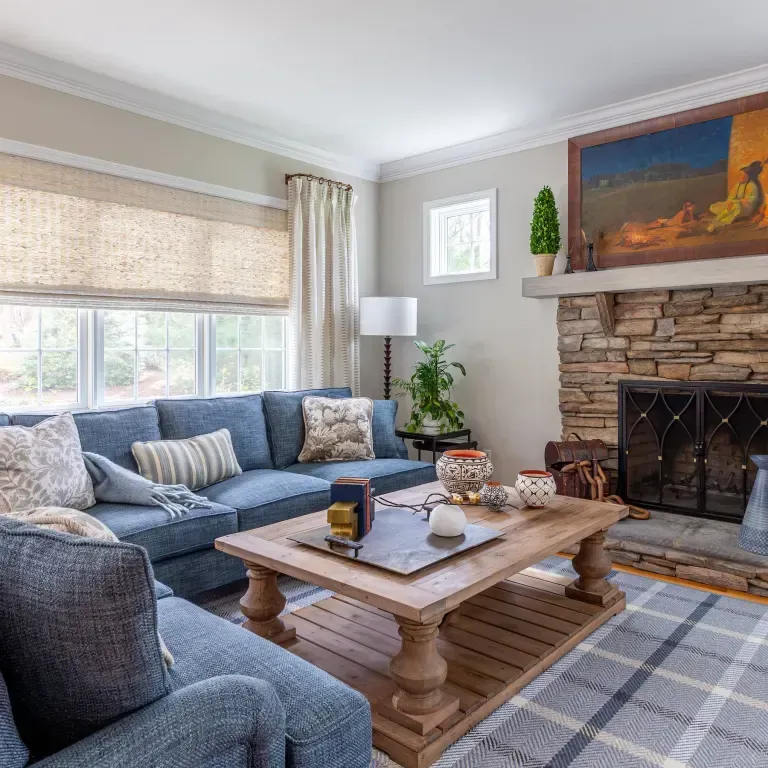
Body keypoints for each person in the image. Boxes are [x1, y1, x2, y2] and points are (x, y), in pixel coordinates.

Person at [707, 160, 764, 232]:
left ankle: (718, 222)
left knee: (736, 206)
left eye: (743, 175)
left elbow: (750, 200)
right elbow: (731, 197)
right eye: (740, 175)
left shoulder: (752, 186)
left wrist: (736, 202)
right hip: (734, 204)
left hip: (746, 208)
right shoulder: (737, 185)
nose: (740, 177)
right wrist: (729, 202)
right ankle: (718, 219)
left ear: (748, 176)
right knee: (715, 206)